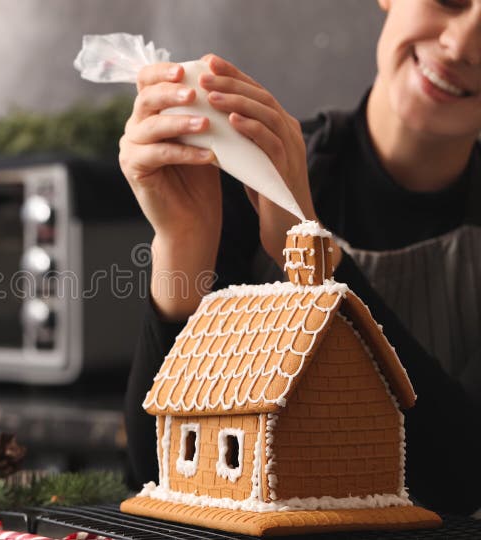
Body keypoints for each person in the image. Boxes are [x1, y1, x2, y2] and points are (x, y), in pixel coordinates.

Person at [120, 0, 481, 515]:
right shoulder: (244, 176)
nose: (461, 46)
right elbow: (156, 481)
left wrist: (310, 254)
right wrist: (182, 245)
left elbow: (463, 482)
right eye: (450, 1)